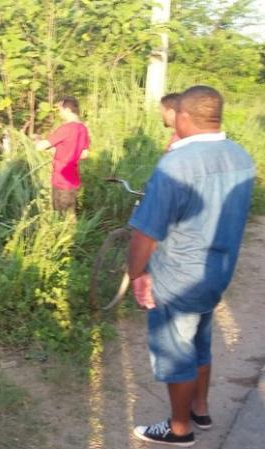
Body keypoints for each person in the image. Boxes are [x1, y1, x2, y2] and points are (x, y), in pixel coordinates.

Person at [128, 85, 255, 447]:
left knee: (175, 351)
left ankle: (179, 428)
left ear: (183, 116)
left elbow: (145, 234)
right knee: (200, 341)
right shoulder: (239, 155)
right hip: (218, 271)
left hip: (179, 277)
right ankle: (200, 407)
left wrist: (136, 274)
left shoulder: (177, 164)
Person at [34, 96, 90, 214]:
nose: (59, 113)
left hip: (61, 180)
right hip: (73, 180)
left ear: (68, 110)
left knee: (60, 217)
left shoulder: (66, 128)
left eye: (60, 110)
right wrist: (62, 152)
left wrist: (35, 140)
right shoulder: (83, 128)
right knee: (70, 214)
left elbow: (40, 147)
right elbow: (84, 154)